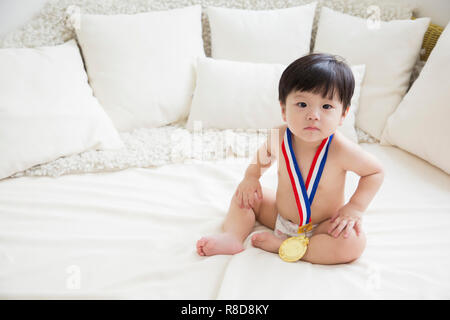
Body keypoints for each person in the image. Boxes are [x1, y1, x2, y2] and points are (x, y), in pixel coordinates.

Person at [196, 53, 384, 265]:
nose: (313, 115)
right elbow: (262, 158)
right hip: (279, 216)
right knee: (244, 196)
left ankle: (285, 247)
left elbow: (375, 172)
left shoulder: (342, 150)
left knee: (353, 243)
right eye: (302, 104)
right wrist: (251, 178)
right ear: (284, 109)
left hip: (322, 225)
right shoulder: (279, 136)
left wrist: (355, 207)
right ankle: (232, 236)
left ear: (343, 114)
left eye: (326, 107)